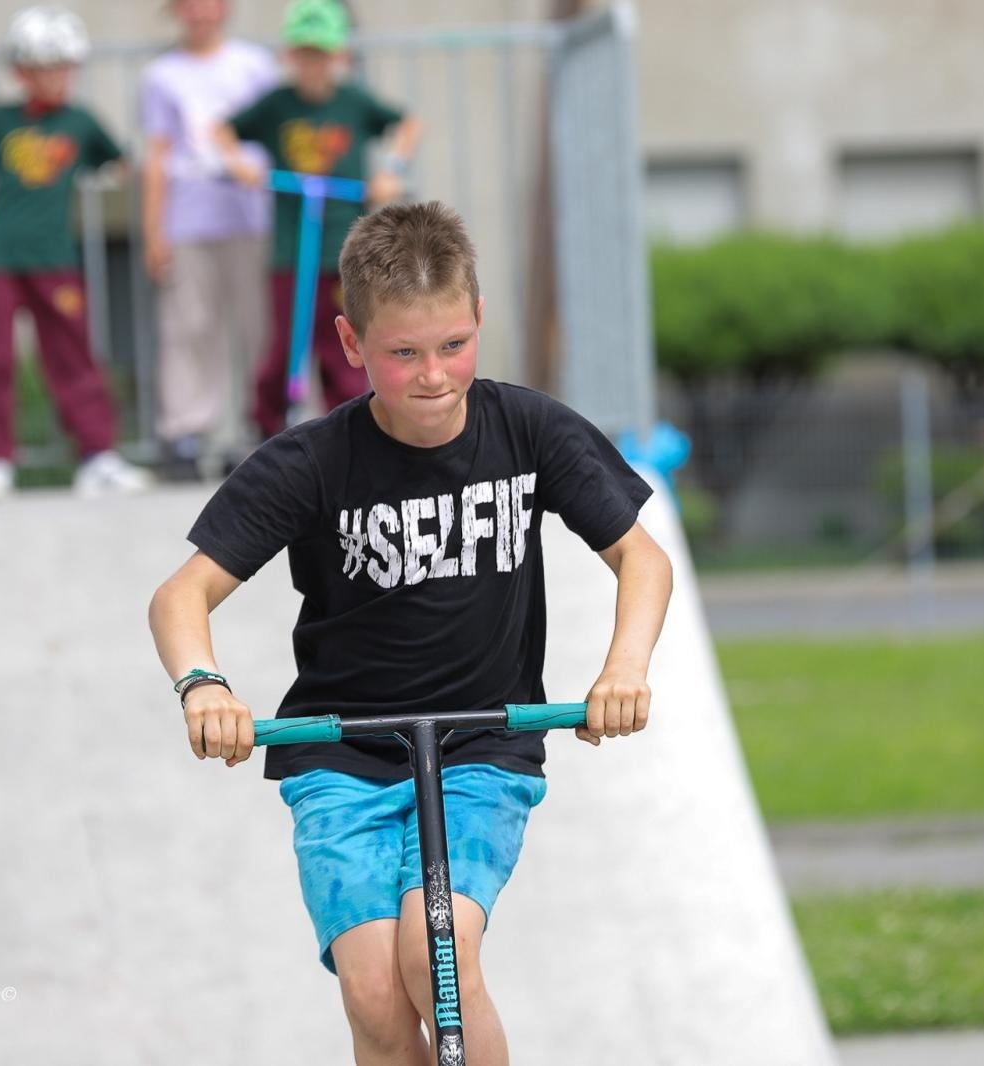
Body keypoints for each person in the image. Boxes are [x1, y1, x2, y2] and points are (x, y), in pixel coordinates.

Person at [147, 202, 673, 1066]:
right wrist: (203, 686)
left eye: (453, 346)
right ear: (352, 344)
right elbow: (181, 597)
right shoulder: (311, 462)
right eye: (403, 354)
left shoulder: (529, 430)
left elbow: (641, 559)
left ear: (477, 322)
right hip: (340, 755)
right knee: (375, 998)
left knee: (441, 970)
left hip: (481, 747)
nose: (434, 376)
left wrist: (623, 670)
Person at [0, 5, 153, 499]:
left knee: (72, 353)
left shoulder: (80, 121)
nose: (59, 78)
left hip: (55, 256)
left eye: (66, 66)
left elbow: (122, 165)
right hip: (0, 256)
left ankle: (97, 454)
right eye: (47, 66)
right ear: (21, 71)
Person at [212, 0, 422, 439]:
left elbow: (408, 124)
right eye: (305, 54)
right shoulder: (276, 105)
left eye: (323, 54)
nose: (314, 65)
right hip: (292, 246)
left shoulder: (354, 103)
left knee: (343, 345)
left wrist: (390, 173)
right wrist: (239, 164)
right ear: (291, 56)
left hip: (347, 247)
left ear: (340, 55)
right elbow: (221, 130)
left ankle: (350, 432)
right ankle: (268, 429)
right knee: (288, 341)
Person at [141, 0, 279, 482]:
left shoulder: (254, 64)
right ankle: (185, 430)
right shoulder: (163, 75)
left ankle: (259, 424)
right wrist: (154, 230)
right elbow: (157, 155)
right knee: (189, 326)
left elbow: (274, 133)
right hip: (190, 218)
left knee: (259, 325)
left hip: (251, 214)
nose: (200, 12)